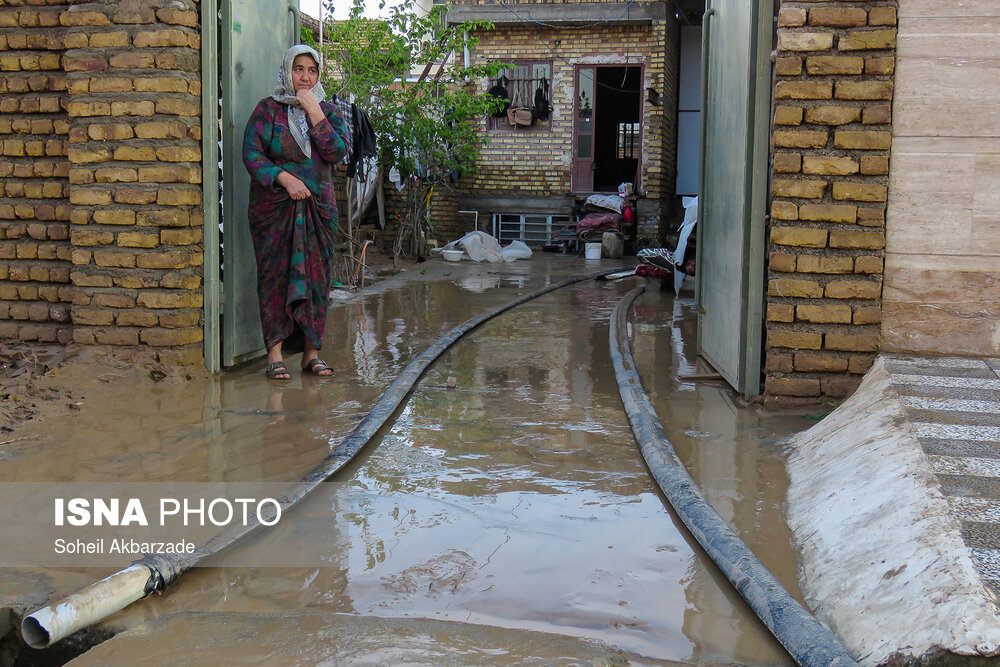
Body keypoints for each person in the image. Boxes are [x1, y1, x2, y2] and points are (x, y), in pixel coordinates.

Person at [243, 45, 350, 379]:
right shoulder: (268, 110)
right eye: (299, 69)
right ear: (287, 71)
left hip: (318, 210)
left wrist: (315, 114)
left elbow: (337, 152)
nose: (305, 77)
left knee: (317, 279)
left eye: (312, 71)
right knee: (274, 277)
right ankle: (274, 354)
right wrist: (283, 177)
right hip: (274, 211)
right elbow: (251, 153)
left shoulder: (329, 111)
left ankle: (311, 353)